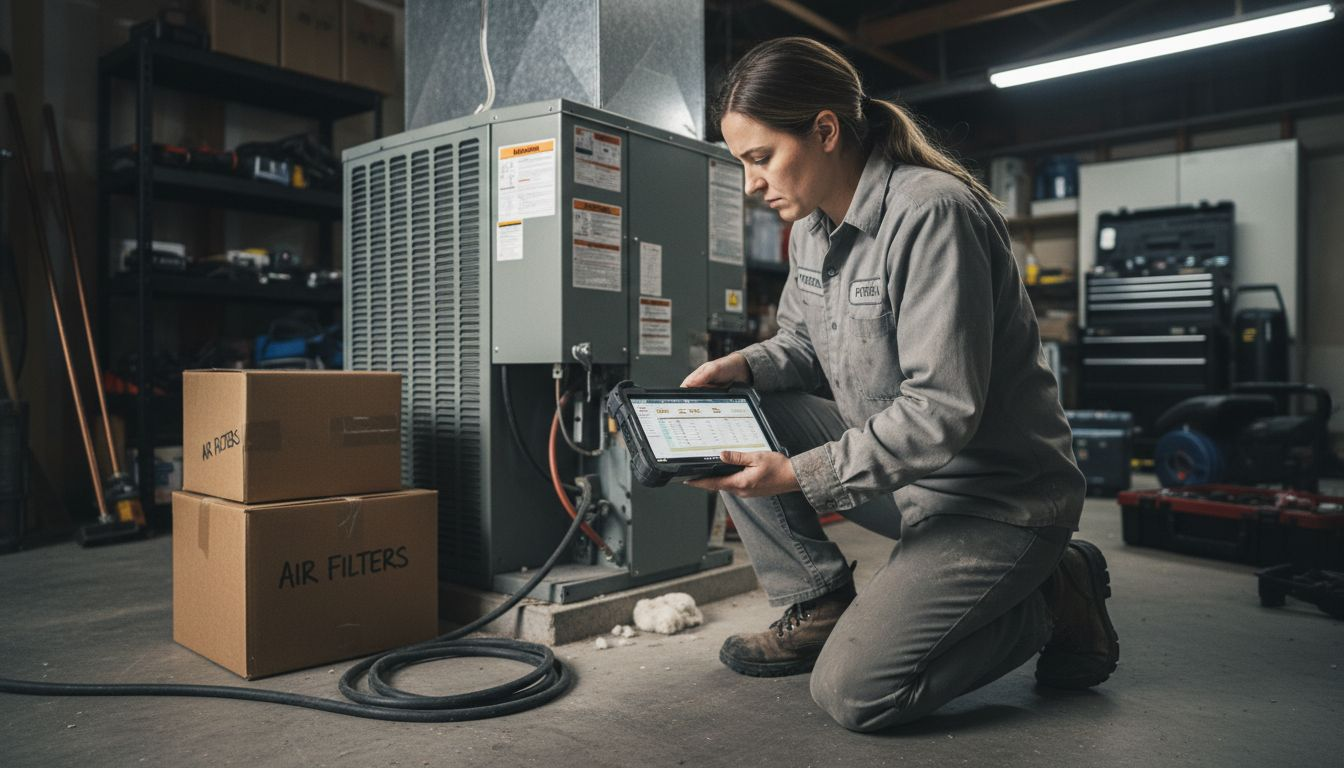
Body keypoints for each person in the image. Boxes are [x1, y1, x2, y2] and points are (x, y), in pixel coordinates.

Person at [680, 37, 1119, 732]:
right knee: (735, 407)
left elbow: (941, 411)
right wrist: (740, 368)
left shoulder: (932, 213)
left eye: (760, 158)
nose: (751, 183)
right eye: (743, 163)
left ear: (824, 131)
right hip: (908, 487)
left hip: (996, 501)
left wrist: (796, 472)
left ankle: (1052, 595)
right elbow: (801, 342)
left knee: (857, 695)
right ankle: (819, 600)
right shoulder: (813, 233)